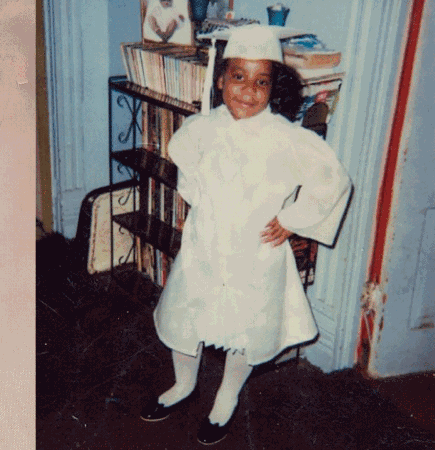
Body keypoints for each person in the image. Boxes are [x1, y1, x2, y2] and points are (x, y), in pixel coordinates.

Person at [138, 25, 351, 445]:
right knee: (186, 316)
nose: (248, 91)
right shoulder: (203, 127)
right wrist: (197, 199)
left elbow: (333, 180)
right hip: (204, 246)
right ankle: (183, 385)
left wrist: (294, 218)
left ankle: (226, 398)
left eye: (261, 82)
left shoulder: (289, 139)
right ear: (220, 80)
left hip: (256, 253)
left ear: (274, 87)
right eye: (238, 78)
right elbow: (184, 157)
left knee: (245, 328)